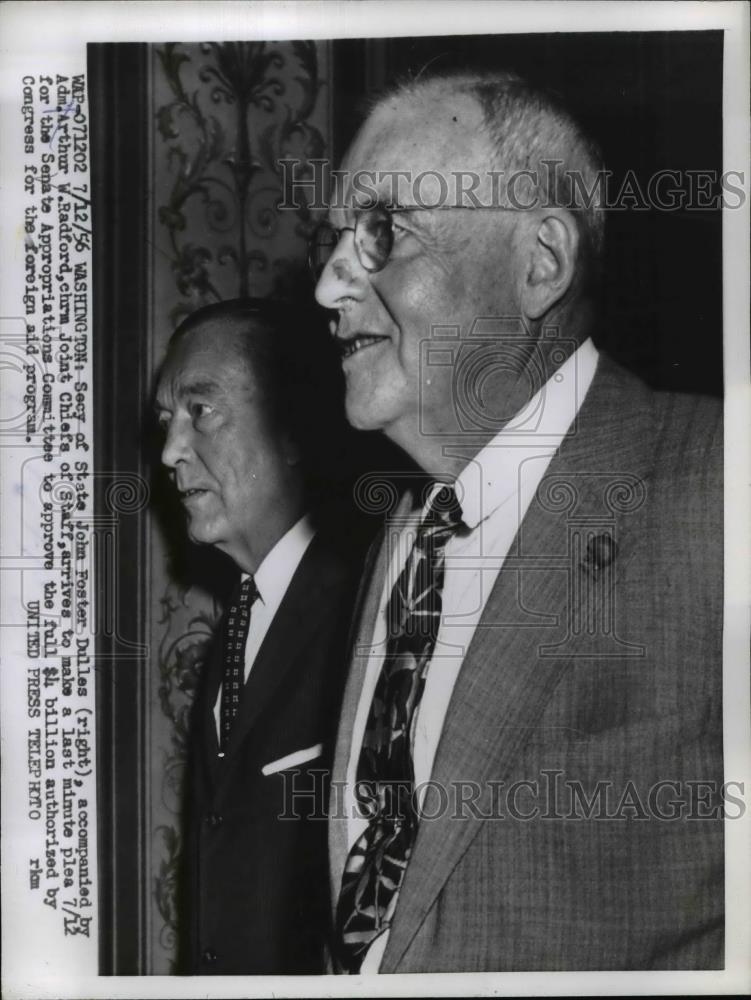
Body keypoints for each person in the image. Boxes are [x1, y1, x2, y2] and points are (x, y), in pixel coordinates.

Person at [312, 70, 724, 972]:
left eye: (383, 231)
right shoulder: (399, 544)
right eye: (336, 238)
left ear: (539, 262)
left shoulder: (716, 482)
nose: (327, 285)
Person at [154, 298, 367, 974]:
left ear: (292, 426)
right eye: (166, 421)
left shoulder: (364, 613)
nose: (169, 452)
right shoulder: (232, 636)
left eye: (200, 412)